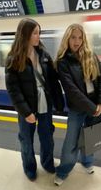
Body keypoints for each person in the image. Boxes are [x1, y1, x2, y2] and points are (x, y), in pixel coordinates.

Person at [5, 18, 64, 181]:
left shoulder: (43, 54)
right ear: (25, 35)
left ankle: (47, 163)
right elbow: (13, 90)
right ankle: (29, 168)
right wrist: (25, 112)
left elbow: (52, 80)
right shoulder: (13, 59)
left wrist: (59, 101)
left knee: (47, 135)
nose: (39, 36)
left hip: (45, 101)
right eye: (35, 33)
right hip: (28, 106)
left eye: (39, 32)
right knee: (26, 139)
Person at [54, 23, 101, 186]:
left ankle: (87, 162)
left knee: (92, 137)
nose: (76, 41)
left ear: (83, 39)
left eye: (79, 37)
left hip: (95, 105)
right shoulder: (63, 62)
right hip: (78, 108)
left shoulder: (91, 55)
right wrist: (93, 109)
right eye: (73, 37)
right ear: (67, 39)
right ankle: (63, 170)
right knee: (71, 141)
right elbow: (71, 90)